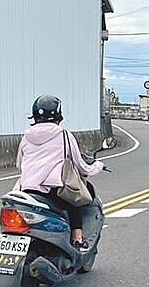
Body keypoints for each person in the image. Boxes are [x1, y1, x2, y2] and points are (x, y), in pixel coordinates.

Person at [16, 95, 104, 250]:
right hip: (52, 192)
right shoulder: (64, 135)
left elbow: (20, 164)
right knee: (76, 199)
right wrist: (97, 166)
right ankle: (77, 239)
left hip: (26, 191)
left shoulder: (26, 137)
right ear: (58, 114)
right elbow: (81, 166)